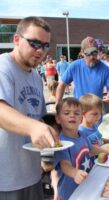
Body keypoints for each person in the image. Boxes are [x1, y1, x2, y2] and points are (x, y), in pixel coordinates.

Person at [0, 16, 58, 200]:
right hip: (6, 180)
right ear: (16, 40)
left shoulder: (34, 77)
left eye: (45, 45)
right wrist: (34, 127)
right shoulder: (3, 67)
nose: (41, 50)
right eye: (34, 43)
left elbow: (39, 119)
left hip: (32, 175)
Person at [54, 97, 109, 200]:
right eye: (67, 113)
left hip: (86, 187)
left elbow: (91, 149)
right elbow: (64, 165)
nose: (72, 115)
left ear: (81, 118)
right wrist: (75, 173)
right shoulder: (60, 142)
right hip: (70, 194)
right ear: (58, 118)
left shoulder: (82, 135)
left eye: (76, 113)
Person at [55, 36, 109, 115]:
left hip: (95, 113)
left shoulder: (105, 69)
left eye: (94, 53)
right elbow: (62, 84)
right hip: (78, 112)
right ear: (82, 52)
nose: (92, 57)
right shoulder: (74, 66)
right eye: (88, 54)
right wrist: (58, 104)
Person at [79, 93, 109, 162]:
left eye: (100, 113)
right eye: (94, 114)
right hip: (92, 165)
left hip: (102, 160)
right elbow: (90, 149)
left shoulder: (94, 125)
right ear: (83, 113)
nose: (99, 116)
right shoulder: (81, 132)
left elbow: (99, 140)